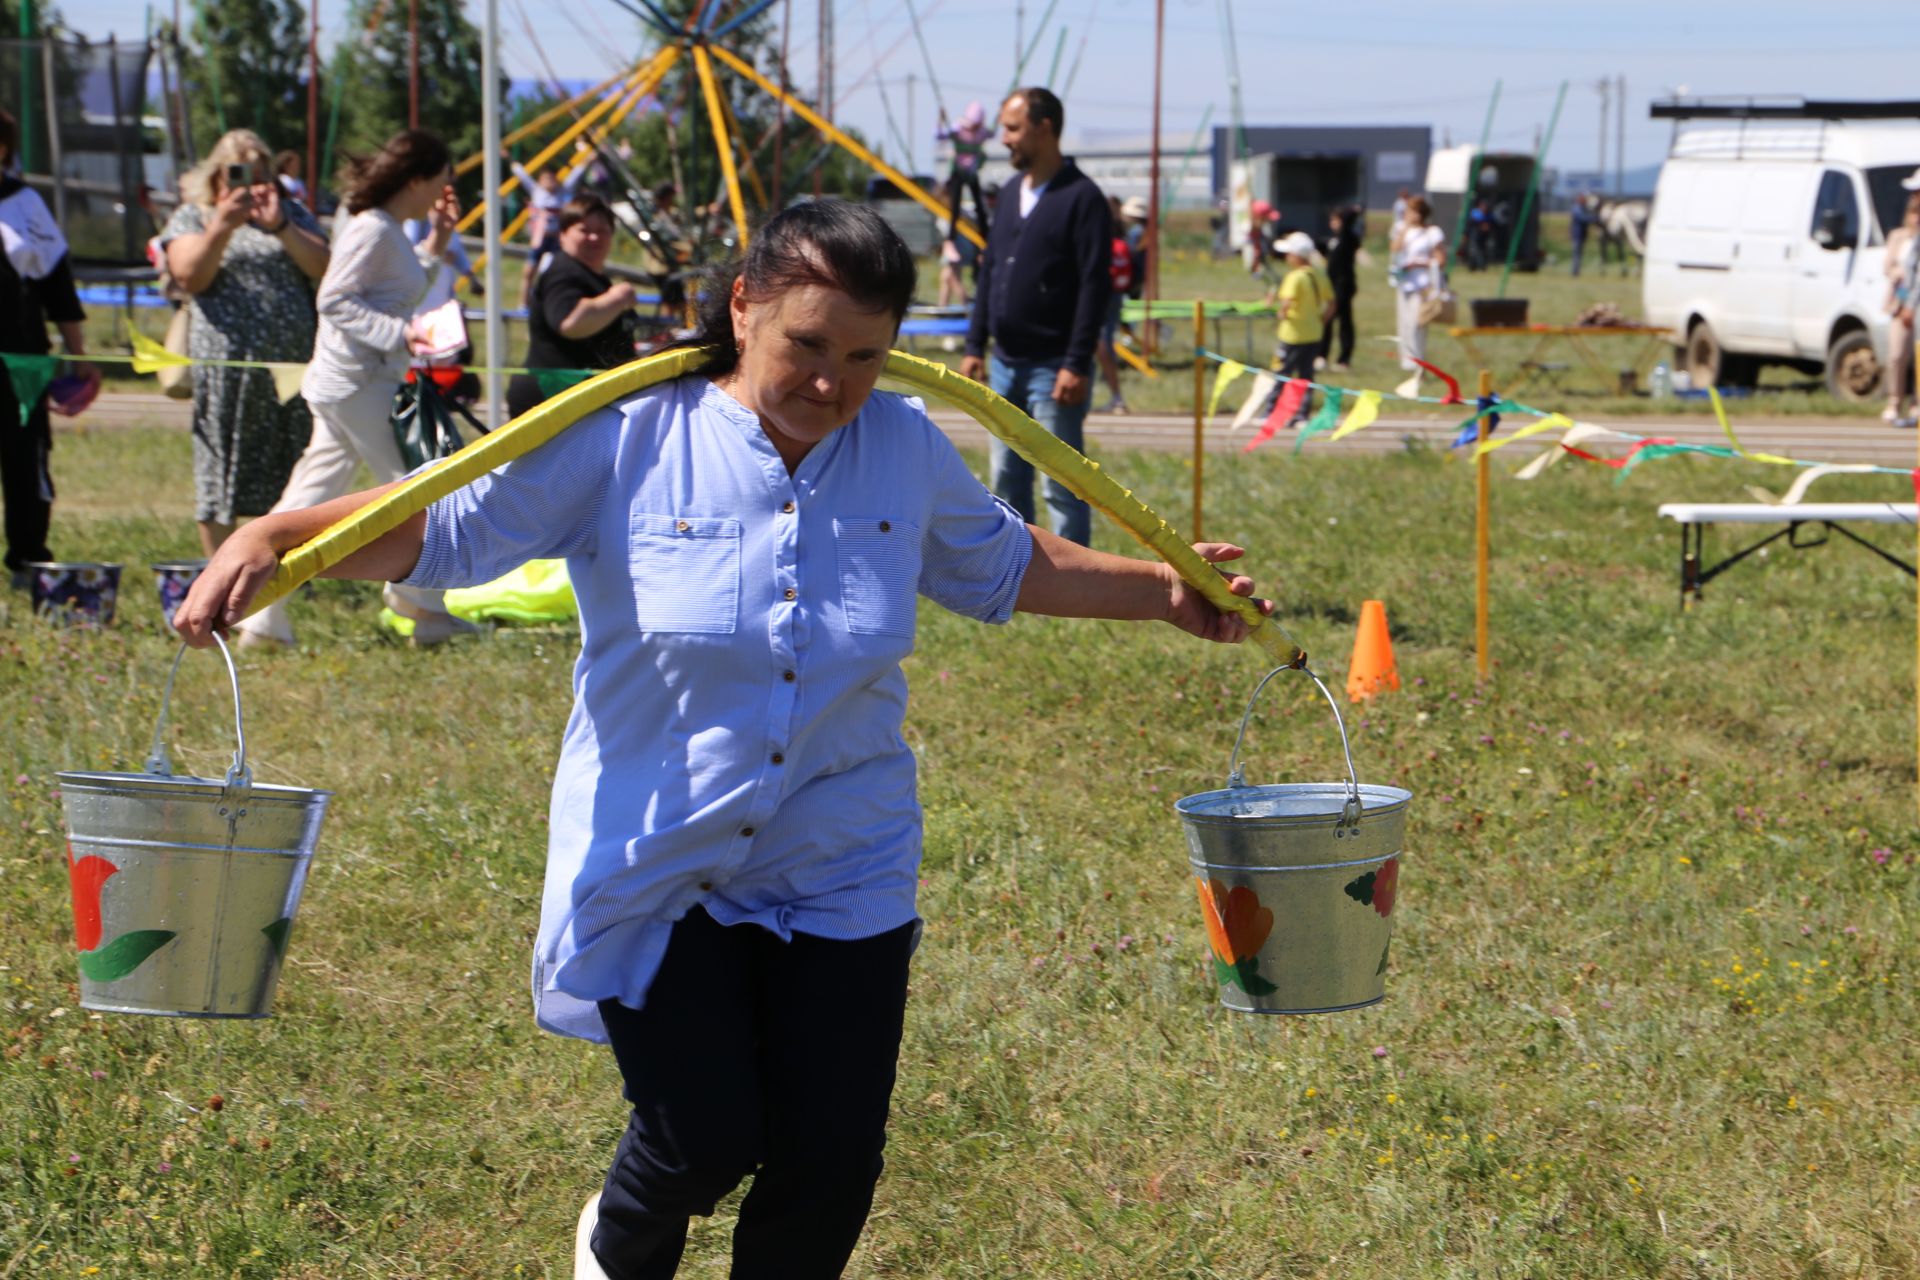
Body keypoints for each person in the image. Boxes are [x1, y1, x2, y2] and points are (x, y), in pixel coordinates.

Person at [172, 198, 1273, 1280]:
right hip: (663, 859)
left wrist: (1165, 592)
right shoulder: (631, 434)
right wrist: (280, 535)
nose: (834, 384)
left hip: (843, 856)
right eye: (807, 343)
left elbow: (1006, 559)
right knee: (705, 1133)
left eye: (866, 357)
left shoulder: (901, 445)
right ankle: (614, 1246)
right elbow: (449, 522)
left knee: (831, 1158)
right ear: (743, 306)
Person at [234, 128, 472, 650]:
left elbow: (394, 289)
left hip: (351, 384)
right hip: (357, 385)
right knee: (419, 490)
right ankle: (422, 605)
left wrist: (434, 242)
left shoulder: (387, 229)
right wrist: (401, 334)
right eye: (440, 180)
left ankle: (259, 615)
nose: (443, 190)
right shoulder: (374, 229)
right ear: (416, 179)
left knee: (306, 499)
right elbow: (334, 299)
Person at [160, 129, 333, 556]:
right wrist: (222, 224)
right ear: (216, 175)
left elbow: (323, 266)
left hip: (290, 372)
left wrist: (280, 226)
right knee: (220, 473)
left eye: (259, 174)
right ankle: (222, 572)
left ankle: (285, 572)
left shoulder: (291, 213)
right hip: (225, 372)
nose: (248, 184)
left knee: (292, 467)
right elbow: (188, 275)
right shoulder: (193, 217)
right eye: (236, 173)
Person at [960, 87, 1112, 547]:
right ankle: (1020, 571)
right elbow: (989, 273)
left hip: (1054, 368)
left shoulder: (1082, 198)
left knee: (1062, 484)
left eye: (1012, 128)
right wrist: (974, 344)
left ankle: (1078, 581)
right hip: (1005, 363)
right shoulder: (1008, 194)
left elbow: (1093, 285)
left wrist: (1076, 362)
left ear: (1044, 129)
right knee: (1006, 477)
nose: (1004, 139)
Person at [0, 108, 99, 589]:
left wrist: (78, 357)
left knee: (25, 465)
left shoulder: (24, 206)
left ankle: (28, 562)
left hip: (21, 365)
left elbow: (57, 286)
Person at [506, 194, 640, 418]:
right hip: (552, 402)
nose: (594, 237)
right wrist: (617, 298)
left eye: (603, 230)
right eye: (584, 230)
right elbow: (570, 322)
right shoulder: (564, 272)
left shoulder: (594, 277)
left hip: (580, 401)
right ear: (563, 235)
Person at [1270, 230, 1334, 427]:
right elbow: (1331, 302)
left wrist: (1281, 314)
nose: (1287, 257)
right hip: (1313, 333)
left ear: (1297, 256)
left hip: (1292, 334)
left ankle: (1271, 410)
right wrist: (1321, 320)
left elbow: (1287, 302)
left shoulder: (1294, 277)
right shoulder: (1318, 275)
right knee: (1306, 376)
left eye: (1289, 253)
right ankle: (1302, 415)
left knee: (1282, 372)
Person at [511, 156, 585, 305]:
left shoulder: (562, 192)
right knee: (529, 271)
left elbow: (575, 176)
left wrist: (586, 161)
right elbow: (523, 176)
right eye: (545, 179)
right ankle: (523, 302)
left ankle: (557, 299)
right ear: (540, 181)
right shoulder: (537, 192)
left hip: (557, 238)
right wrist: (511, 161)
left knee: (559, 270)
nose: (549, 182)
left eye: (552, 179)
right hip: (540, 238)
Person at [1390, 195, 1448, 373]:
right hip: (1404, 283)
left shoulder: (1432, 232)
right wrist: (1405, 227)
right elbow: (1395, 248)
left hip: (1423, 285)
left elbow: (1441, 259)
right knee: (1405, 324)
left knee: (1417, 324)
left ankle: (1419, 364)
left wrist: (1422, 263)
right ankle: (1408, 363)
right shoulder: (1401, 228)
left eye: (1411, 210)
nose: (1407, 214)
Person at [1093, 194, 1135, 415]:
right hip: (1116, 295)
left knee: (1100, 344)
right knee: (1104, 343)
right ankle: (1115, 396)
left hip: (1102, 295)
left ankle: (1116, 397)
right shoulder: (1120, 235)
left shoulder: (1101, 231)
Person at [1883, 181, 1920, 428]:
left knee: (1917, 355)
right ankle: (1894, 401)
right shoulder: (1899, 237)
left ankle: (1916, 404)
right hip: (1900, 302)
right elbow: (1890, 267)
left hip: (1915, 303)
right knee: (1897, 354)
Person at [935, 100, 991, 241]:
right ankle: (951, 238)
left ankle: (985, 235)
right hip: (958, 171)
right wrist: (941, 120)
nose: (973, 127)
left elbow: (992, 134)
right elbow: (939, 136)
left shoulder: (981, 133)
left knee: (980, 206)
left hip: (972, 173)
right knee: (955, 206)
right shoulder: (958, 129)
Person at [1320, 205, 1360, 371]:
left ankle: (1344, 359)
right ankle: (1322, 355)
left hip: (1343, 286)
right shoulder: (1334, 239)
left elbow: (1349, 219)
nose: (1332, 223)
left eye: (1335, 220)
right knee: (1327, 322)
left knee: (1343, 322)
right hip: (1332, 285)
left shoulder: (1349, 237)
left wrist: (1352, 211)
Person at [1569, 191, 1596, 278]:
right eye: (1584, 200)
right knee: (1576, 254)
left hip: (1581, 235)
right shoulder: (1577, 209)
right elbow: (1582, 218)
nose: (1585, 202)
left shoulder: (1582, 208)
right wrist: (1595, 218)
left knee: (1579, 254)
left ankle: (1576, 271)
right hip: (1577, 235)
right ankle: (1575, 272)